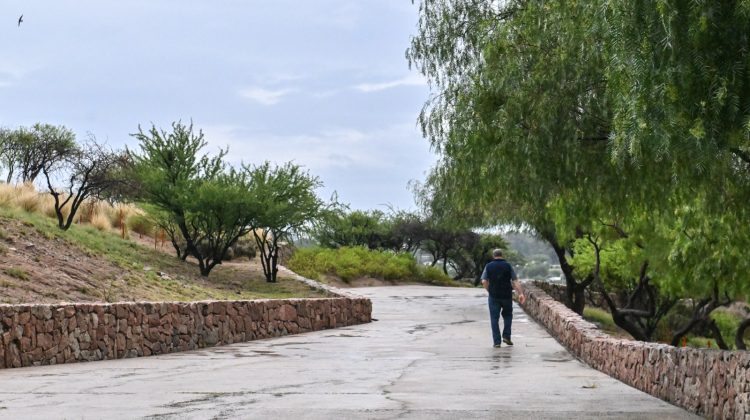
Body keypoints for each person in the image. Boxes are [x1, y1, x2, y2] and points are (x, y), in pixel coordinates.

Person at [481, 249, 525, 348]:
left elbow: (484, 281)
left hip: (494, 296)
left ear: (493, 256)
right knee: (508, 316)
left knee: (494, 319)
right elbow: (515, 281)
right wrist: (520, 293)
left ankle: (497, 342)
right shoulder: (508, 265)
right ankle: (506, 336)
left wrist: (489, 290)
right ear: (502, 255)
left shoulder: (488, 266)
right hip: (507, 295)